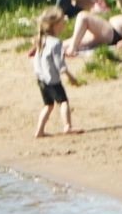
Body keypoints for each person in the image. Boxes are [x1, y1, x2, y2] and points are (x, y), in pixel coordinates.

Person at [31, 7, 83, 138]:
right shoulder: (56, 43)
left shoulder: (41, 40)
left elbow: (38, 59)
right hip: (52, 80)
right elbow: (60, 64)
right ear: (54, 25)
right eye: (62, 22)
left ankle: (39, 130)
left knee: (48, 105)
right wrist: (71, 77)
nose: (64, 25)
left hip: (41, 79)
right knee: (63, 102)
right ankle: (67, 126)